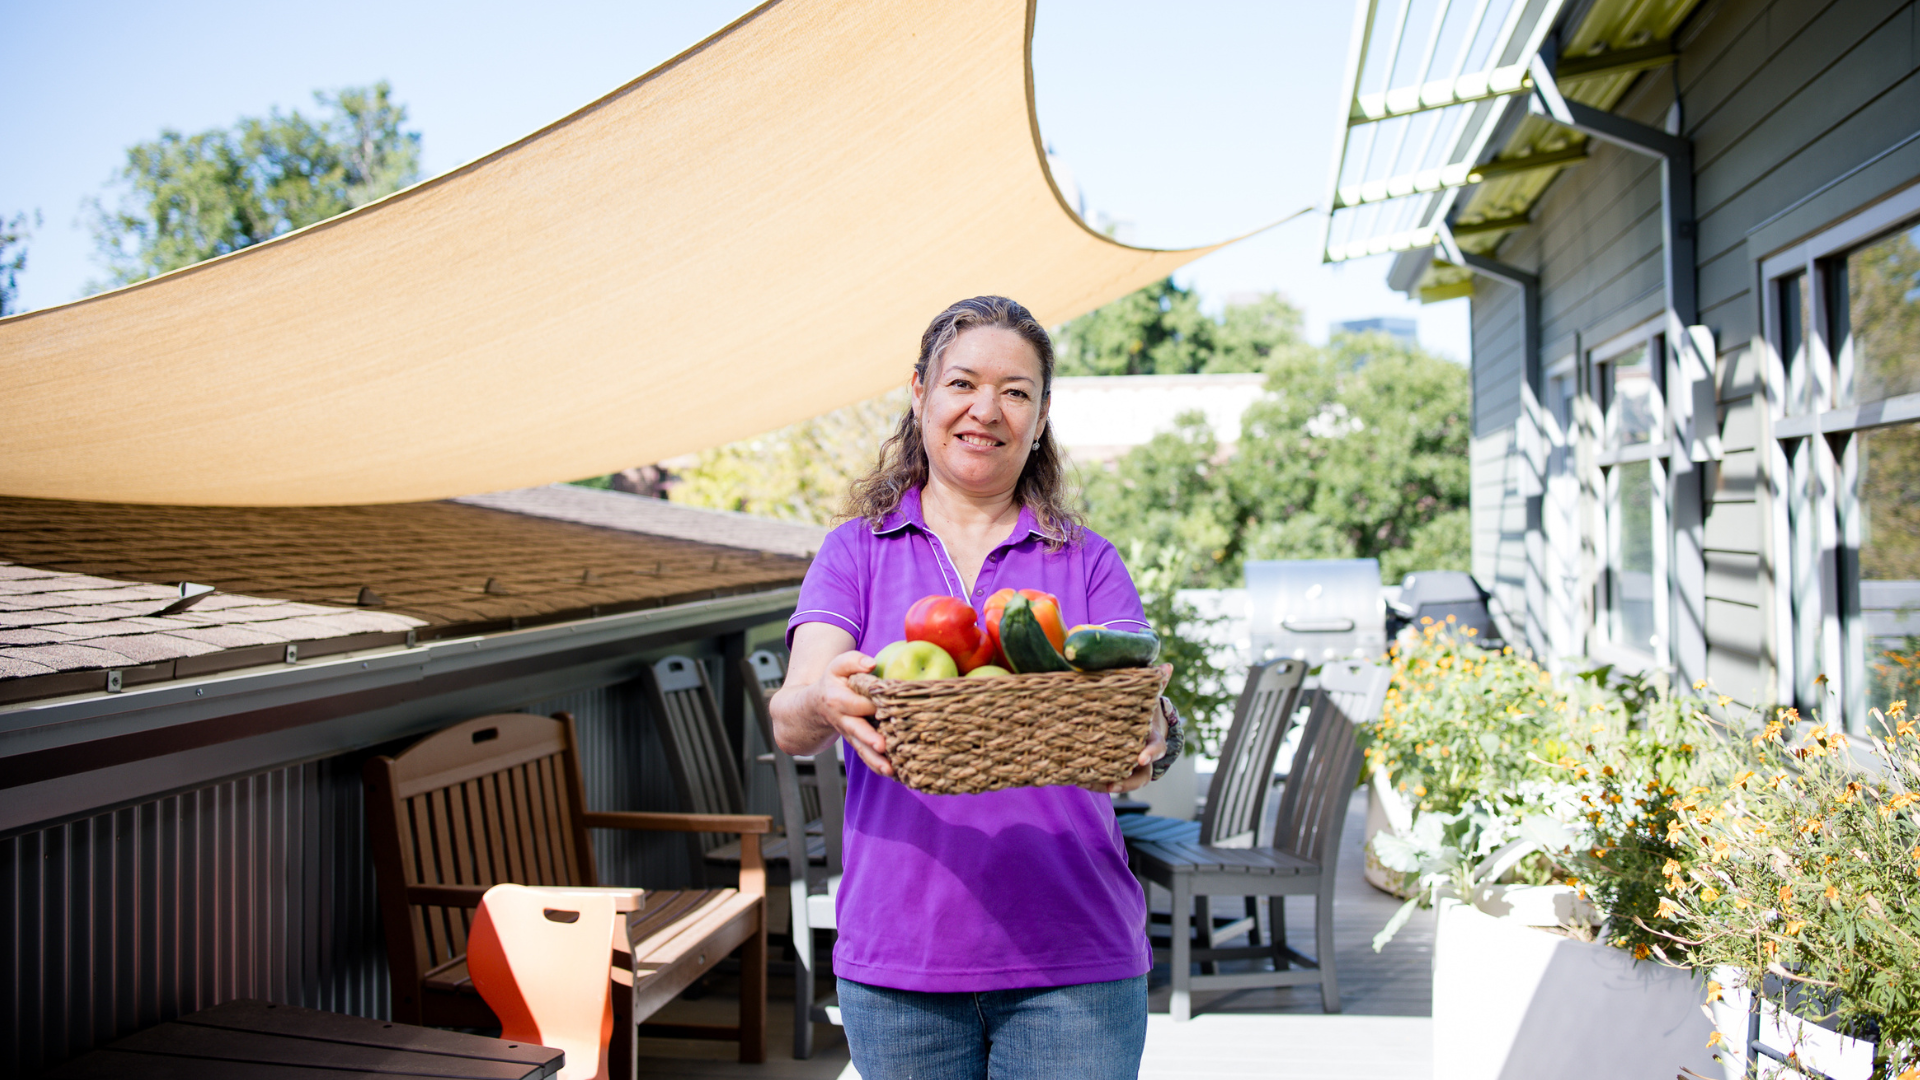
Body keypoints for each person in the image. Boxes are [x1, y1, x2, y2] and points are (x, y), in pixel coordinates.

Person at [770, 295, 1173, 1080]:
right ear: (920, 391)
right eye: (963, 384)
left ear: (1042, 413)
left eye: (1016, 391)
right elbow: (792, 714)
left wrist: (1156, 732)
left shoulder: (1086, 562)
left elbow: (1140, 701)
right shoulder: (856, 552)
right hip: (901, 963)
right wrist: (823, 701)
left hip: (1075, 956)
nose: (986, 410)